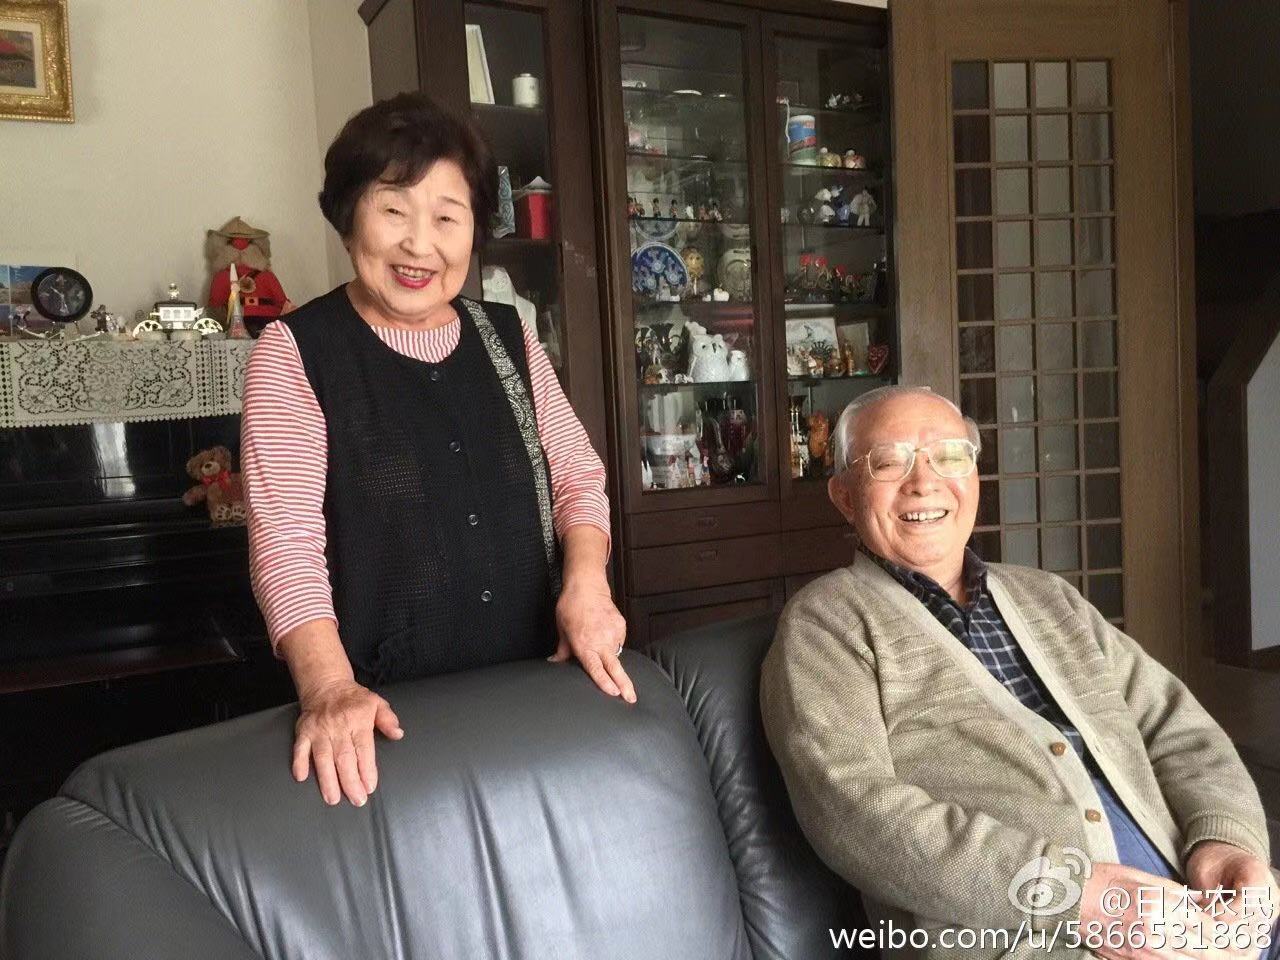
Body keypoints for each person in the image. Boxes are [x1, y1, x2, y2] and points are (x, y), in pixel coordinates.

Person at [760, 385, 1279, 960]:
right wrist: (1074, 896)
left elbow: (1176, 726)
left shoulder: (1048, 596)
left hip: (1199, 903)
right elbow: (854, 812)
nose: (924, 482)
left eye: (949, 456)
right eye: (888, 462)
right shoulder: (826, 624)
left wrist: (1227, 841)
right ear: (844, 495)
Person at [241, 93, 631, 810]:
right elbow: (287, 543)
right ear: (348, 217)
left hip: (535, 691)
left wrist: (588, 585)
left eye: (447, 218)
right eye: (393, 210)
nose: (420, 245)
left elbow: (577, 477)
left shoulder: (509, 337)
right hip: (388, 724)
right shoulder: (296, 352)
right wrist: (329, 688)